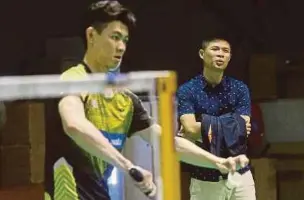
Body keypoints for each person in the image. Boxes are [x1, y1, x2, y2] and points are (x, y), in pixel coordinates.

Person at [44, 2, 247, 200]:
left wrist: (218, 162)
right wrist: (128, 166)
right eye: (114, 37)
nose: (121, 47)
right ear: (91, 36)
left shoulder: (125, 100)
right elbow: (74, 124)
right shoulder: (74, 79)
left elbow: (167, 142)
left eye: (125, 39)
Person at [177, 37, 256, 200]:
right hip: (204, 176)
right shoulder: (187, 90)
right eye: (215, 49)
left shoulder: (240, 89)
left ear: (230, 57)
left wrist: (204, 127)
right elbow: (190, 129)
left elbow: (243, 129)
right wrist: (231, 125)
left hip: (241, 174)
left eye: (225, 51)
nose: (220, 54)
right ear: (201, 53)